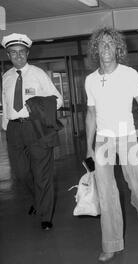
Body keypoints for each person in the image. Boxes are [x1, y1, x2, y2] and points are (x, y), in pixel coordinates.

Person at [85, 27, 138, 262]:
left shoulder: (129, 74)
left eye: (110, 43)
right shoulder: (90, 80)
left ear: (117, 48)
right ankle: (111, 243)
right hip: (103, 140)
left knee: (136, 185)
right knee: (106, 192)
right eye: (101, 44)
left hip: (127, 137)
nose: (106, 47)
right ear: (96, 49)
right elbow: (91, 115)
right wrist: (88, 147)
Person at [1, 33, 63, 230]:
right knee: (21, 173)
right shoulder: (6, 77)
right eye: (13, 52)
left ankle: (45, 215)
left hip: (36, 127)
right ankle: (38, 200)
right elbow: (5, 104)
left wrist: (37, 105)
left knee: (42, 173)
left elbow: (58, 99)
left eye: (21, 52)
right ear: (7, 54)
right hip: (14, 129)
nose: (18, 56)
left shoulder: (38, 74)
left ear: (27, 53)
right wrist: (6, 126)